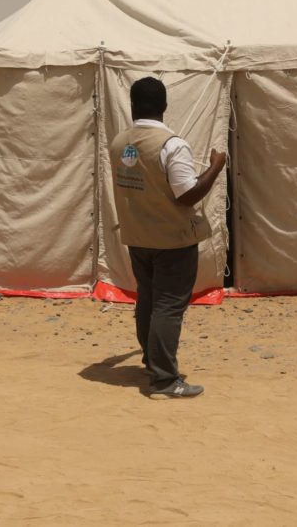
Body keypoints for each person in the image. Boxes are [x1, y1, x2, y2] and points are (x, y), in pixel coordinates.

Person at [109, 76, 226, 399]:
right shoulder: (172, 145)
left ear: (133, 105)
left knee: (147, 297)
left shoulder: (120, 143)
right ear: (164, 106)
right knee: (168, 305)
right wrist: (216, 166)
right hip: (171, 239)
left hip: (137, 235)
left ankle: (152, 360)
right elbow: (187, 195)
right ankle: (163, 380)